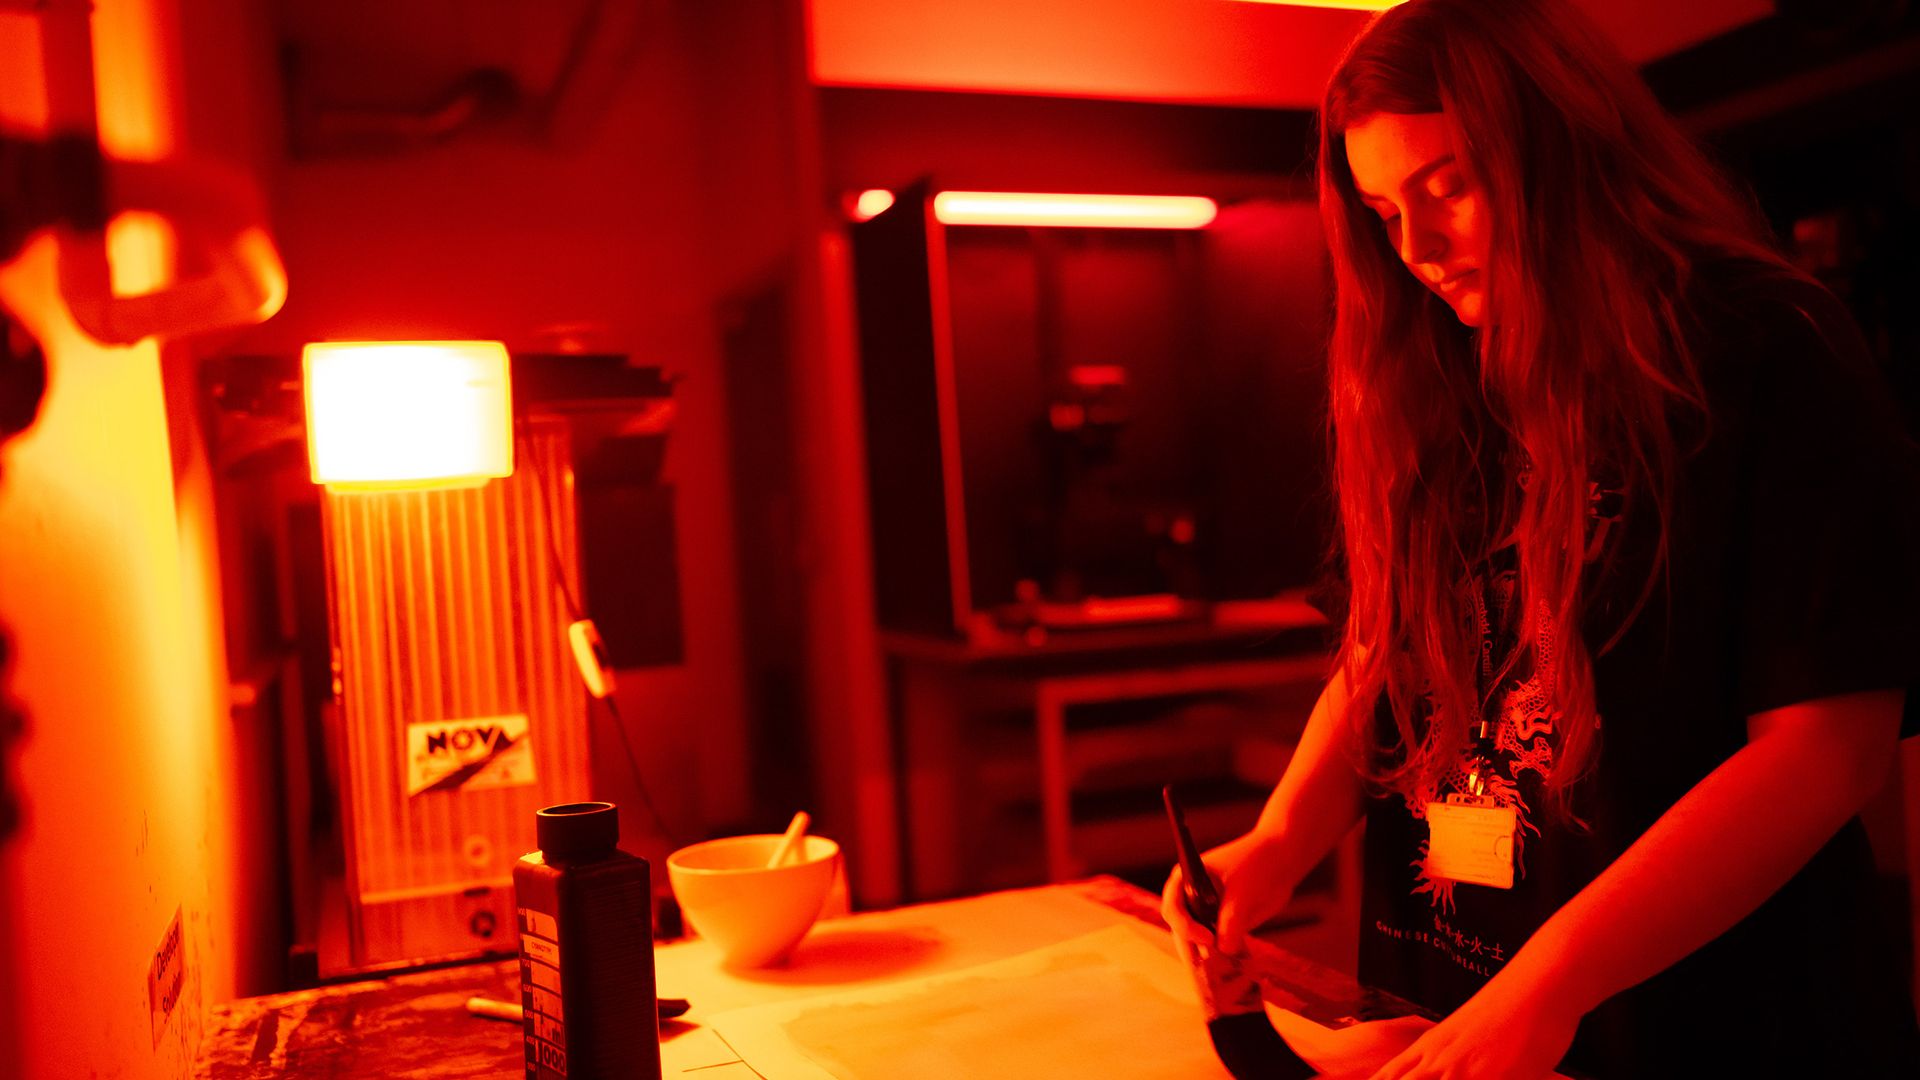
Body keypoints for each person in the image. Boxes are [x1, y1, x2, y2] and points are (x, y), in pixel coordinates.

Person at [1161, 1, 1920, 1077]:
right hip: (1460, 1011)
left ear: (1563, 148)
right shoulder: (1434, 369)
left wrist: (1552, 980)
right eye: (1383, 211)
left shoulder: (1764, 348)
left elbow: (1826, 749)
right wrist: (1278, 843)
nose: (1418, 250)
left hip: (1711, 1025)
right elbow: (1390, 649)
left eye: (1449, 188)